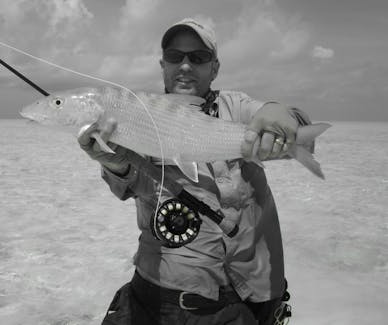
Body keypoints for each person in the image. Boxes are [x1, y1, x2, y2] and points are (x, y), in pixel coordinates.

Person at [78, 18, 310, 325]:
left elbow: (292, 125)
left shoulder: (235, 105)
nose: (185, 66)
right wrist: (112, 160)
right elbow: (127, 183)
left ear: (214, 68)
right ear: (162, 64)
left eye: (198, 57)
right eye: (175, 57)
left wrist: (282, 114)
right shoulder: (138, 116)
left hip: (255, 286)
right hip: (169, 291)